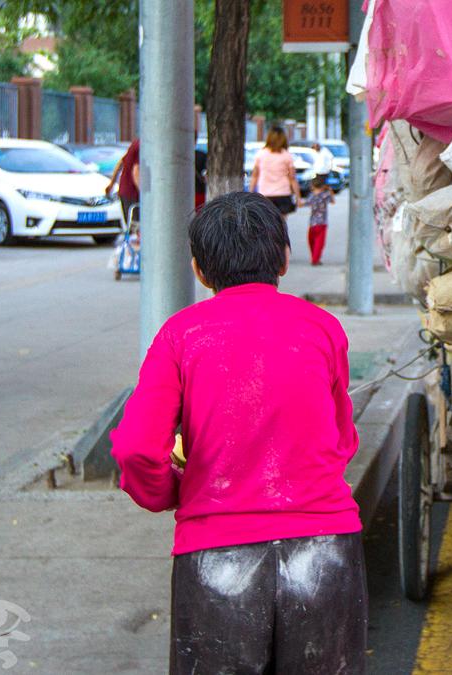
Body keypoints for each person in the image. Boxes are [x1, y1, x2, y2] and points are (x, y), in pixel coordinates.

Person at [110, 191, 366, 674]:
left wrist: (173, 492)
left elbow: (137, 449)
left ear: (200, 270)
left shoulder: (180, 336)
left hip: (214, 556)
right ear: (284, 259)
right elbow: (341, 440)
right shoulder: (323, 328)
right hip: (325, 549)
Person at [249, 127, 302, 227]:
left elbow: (255, 176)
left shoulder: (261, 154)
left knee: (266, 225)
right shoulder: (286, 155)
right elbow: (292, 178)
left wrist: (250, 193)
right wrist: (298, 197)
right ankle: (282, 242)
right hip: (283, 194)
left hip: (265, 194)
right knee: (281, 226)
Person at [105, 139, 140, 225]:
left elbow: (120, 163)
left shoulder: (135, 144)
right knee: (136, 224)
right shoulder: (141, 146)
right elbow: (136, 171)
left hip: (124, 190)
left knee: (131, 223)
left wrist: (111, 183)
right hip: (132, 192)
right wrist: (142, 192)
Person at [306, 174, 335, 265]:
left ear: (312, 186)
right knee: (319, 242)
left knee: (311, 241)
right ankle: (315, 259)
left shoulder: (311, 196)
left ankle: (314, 257)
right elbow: (333, 201)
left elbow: (305, 204)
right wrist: (330, 190)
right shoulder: (325, 195)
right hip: (322, 222)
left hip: (312, 223)